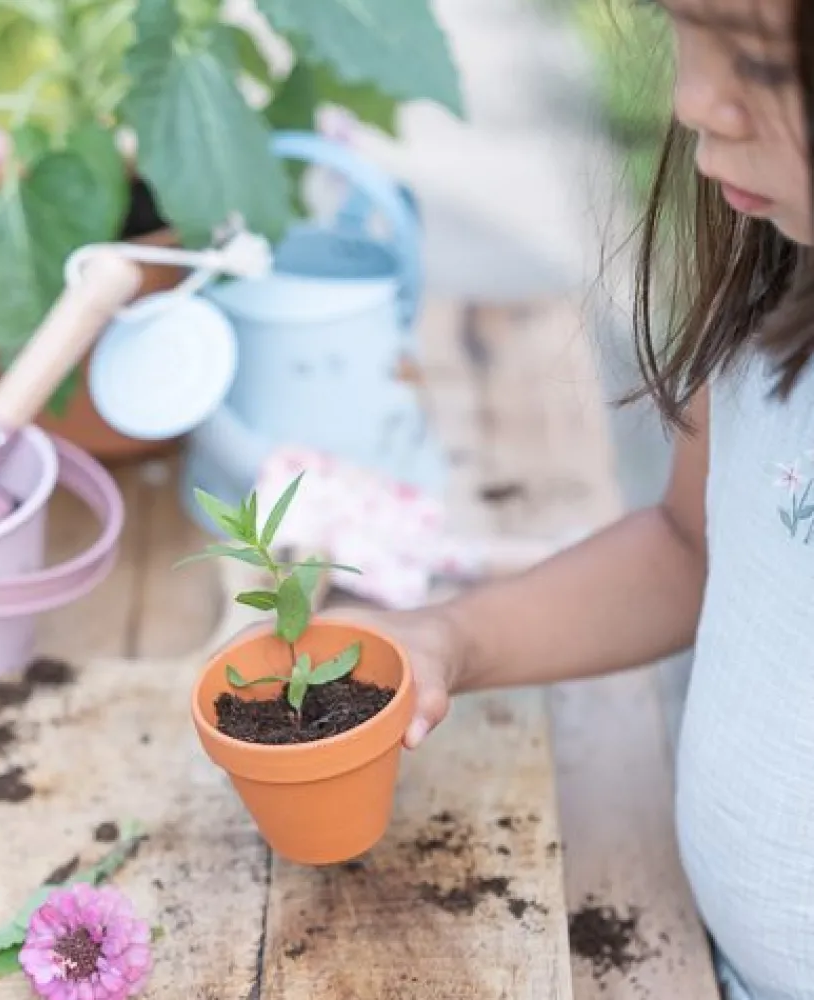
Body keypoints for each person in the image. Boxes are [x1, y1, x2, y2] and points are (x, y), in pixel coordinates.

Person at [329, 1, 814, 997]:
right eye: (686, 29)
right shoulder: (777, 294)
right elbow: (689, 543)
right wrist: (451, 638)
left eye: (759, 66)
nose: (690, 101)